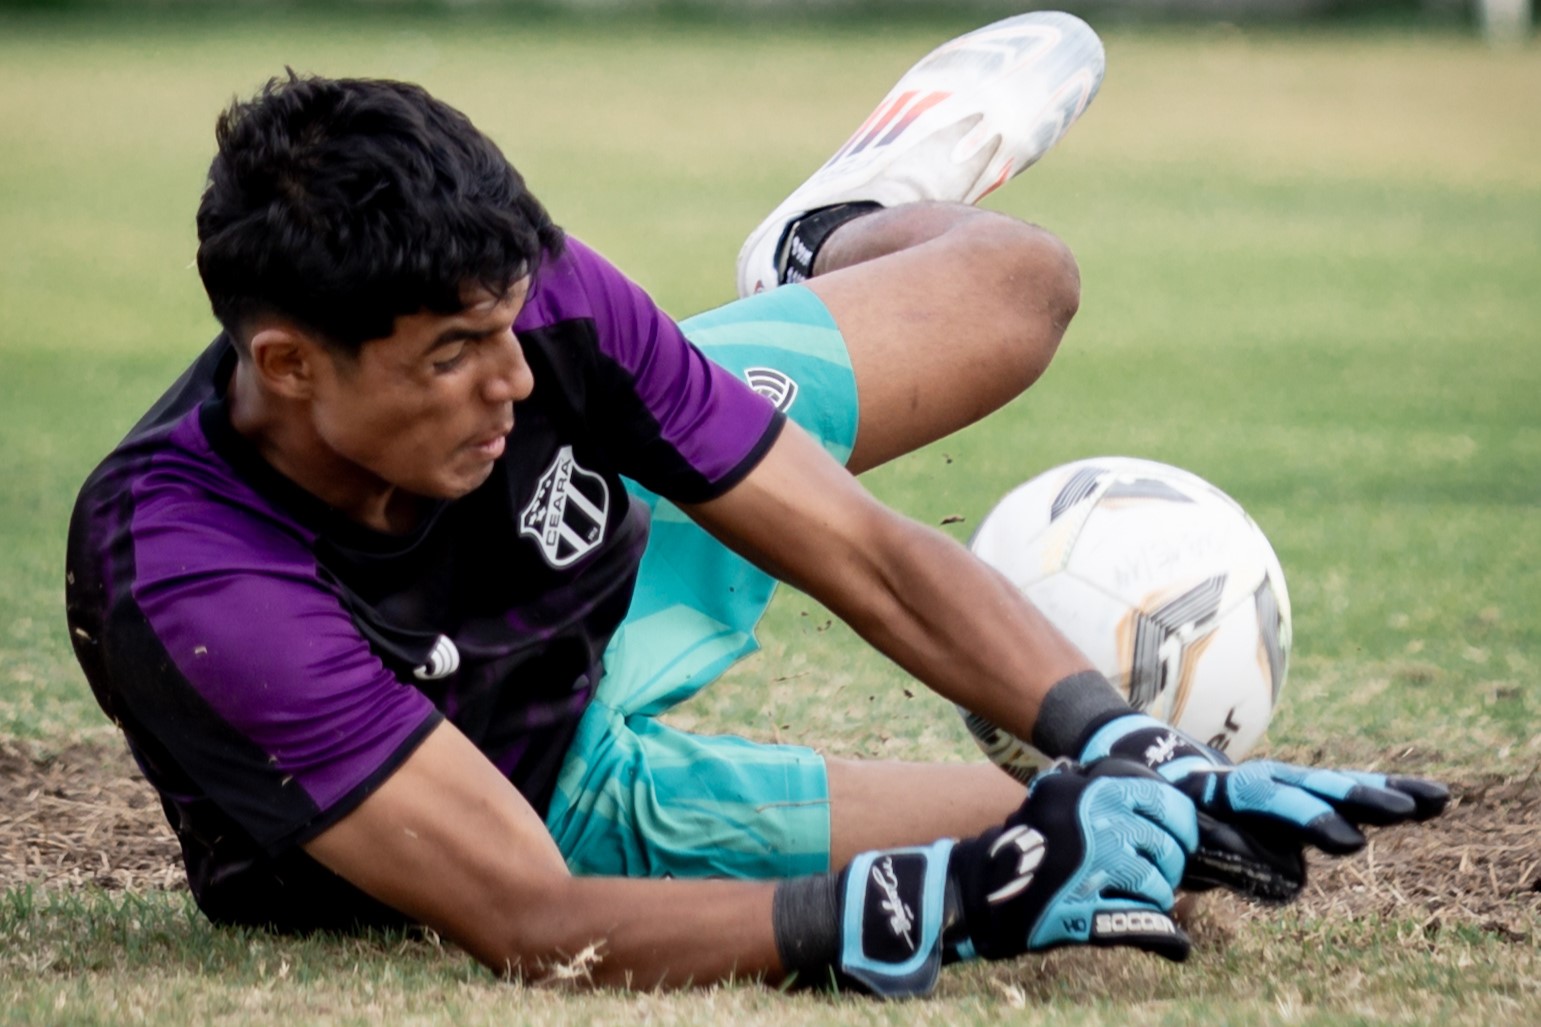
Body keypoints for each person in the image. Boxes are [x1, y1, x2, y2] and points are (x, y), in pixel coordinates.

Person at [64, 12, 1445, 997]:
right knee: (1106, 854)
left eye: (509, 324)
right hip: (532, 796)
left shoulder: (540, 315)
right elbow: (528, 914)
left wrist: (1133, 743)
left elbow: (861, 549)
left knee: (1017, 286)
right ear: (290, 368)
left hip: (603, 562)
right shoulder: (196, 582)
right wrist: (949, 897)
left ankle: (821, 237)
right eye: (449, 355)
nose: (510, 377)